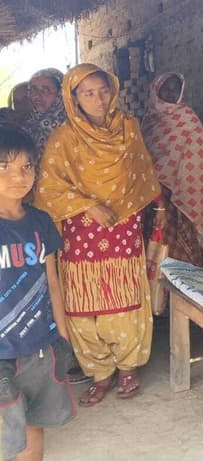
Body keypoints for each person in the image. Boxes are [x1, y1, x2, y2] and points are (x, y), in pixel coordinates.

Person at [35, 63, 163, 407]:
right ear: (73, 98)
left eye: (104, 91)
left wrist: (154, 208)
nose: (99, 100)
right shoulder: (63, 138)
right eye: (88, 93)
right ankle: (99, 372)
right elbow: (48, 188)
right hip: (80, 231)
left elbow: (143, 173)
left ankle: (128, 366)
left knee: (124, 299)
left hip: (122, 227)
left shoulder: (128, 128)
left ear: (114, 91)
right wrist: (88, 206)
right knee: (82, 306)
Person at [0, 127, 75, 460]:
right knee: (5, 432)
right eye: (4, 167)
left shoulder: (41, 223)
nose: (18, 177)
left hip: (40, 347)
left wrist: (63, 338)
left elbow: (52, 282)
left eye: (26, 166)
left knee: (34, 424)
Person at [141, 72, 203, 266]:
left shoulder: (188, 118)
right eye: (166, 88)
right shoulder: (148, 119)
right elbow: (142, 157)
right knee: (154, 237)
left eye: (175, 89)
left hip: (183, 192)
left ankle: (185, 277)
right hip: (152, 192)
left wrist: (177, 180)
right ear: (156, 90)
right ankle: (157, 280)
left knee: (180, 238)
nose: (170, 92)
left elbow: (199, 153)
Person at [22, 69, 67, 161]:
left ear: (61, 93)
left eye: (45, 90)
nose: (37, 95)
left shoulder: (71, 126)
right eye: (33, 89)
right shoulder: (29, 126)